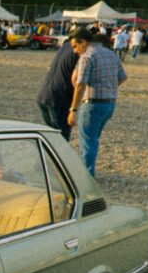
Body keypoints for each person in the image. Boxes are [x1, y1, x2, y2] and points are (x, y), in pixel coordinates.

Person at [67, 27, 126, 176]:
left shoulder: (87, 56)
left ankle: (86, 177)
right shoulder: (111, 54)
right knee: (93, 140)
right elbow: (123, 76)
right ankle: (88, 171)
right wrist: (109, 88)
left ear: (84, 42)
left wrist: (73, 109)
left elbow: (80, 84)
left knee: (87, 142)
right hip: (109, 104)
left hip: (92, 104)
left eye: (75, 46)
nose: (74, 51)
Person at [36, 37, 79, 143]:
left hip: (44, 94)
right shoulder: (78, 52)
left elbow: (49, 68)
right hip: (59, 98)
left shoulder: (64, 48)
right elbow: (78, 79)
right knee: (61, 136)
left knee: (52, 135)